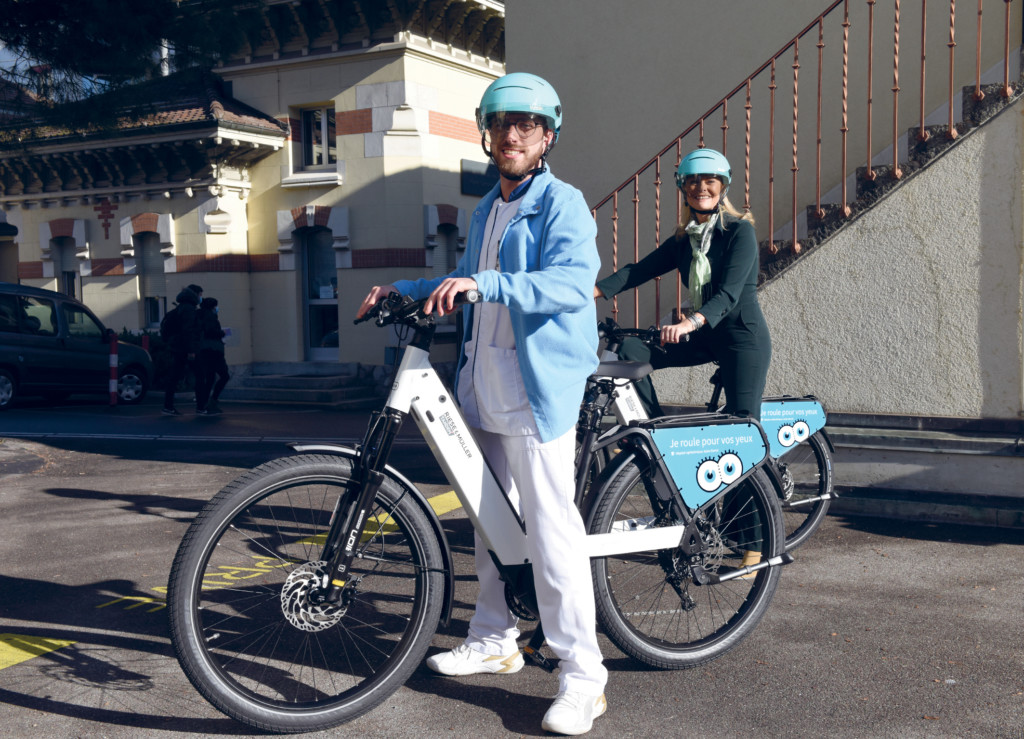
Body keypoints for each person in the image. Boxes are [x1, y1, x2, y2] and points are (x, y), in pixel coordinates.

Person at [356, 73, 607, 736]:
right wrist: (401, 286)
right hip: (481, 382)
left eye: (526, 124)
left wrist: (486, 281)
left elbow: (572, 283)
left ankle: (583, 675)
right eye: (501, 123)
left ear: (547, 134)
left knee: (553, 532)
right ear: (488, 133)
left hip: (536, 387)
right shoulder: (485, 208)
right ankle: (494, 635)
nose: (512, 134)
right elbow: (461, 278)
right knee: (488, 518)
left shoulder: (564, 203)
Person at [594, 148, 772, 421]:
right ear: (684, 188)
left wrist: (688, 323)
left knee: (744, 425)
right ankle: (655, 431)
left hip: (741, 338)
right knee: (630, 349)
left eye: (710, 181)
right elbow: (639, 271)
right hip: (705, 336)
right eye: (693, 181)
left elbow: (728, 295)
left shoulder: (739, 232)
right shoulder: (684, 239)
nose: (701, 188)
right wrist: (591, 292)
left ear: (722, 187)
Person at [161, 284, 202, 416]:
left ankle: (168, 406)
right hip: (185, 349)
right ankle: (201, 407)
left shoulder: (181, 307)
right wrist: (191, 350)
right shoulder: (189, 309)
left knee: (174, 376)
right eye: (200, 294)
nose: (201, 297)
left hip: (177, 347)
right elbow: (188, 331)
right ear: (195, 294)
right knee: (200, 376)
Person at [195, 296, 229, 415]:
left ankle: (204, 403)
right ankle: (212, 401)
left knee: (209, 378)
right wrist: (221, 333)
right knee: (224, 375)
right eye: (215, 307)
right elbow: (211, 332)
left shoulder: (199, 315)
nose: (217, 309)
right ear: (212, 307)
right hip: (214, 350)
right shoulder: (210, 317)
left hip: (204, 350)